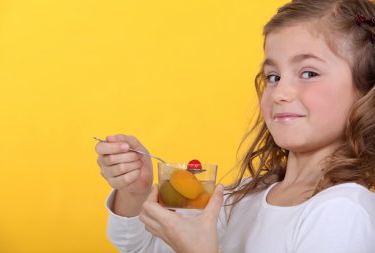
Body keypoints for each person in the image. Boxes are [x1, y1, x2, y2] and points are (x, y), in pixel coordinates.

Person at [95, 0, 375, 252]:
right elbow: (144, 248)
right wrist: (135, 191)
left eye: (309, 73)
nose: (279, 93)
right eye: (273, 76)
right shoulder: (244, 197)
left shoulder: (342, 211)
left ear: (366, 89)